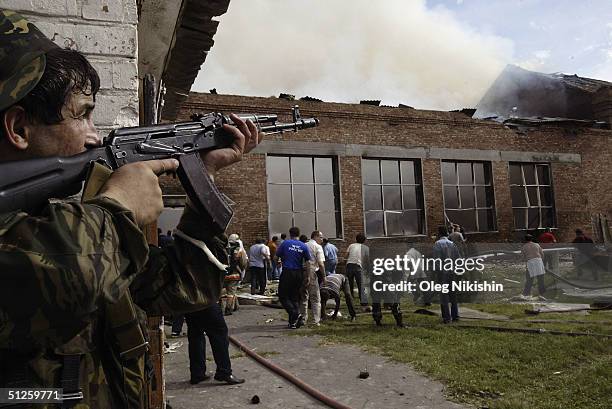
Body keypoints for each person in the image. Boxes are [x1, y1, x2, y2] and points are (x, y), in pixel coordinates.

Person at [0, 11, 262, 408]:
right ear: (19, 128)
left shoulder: (69, 225)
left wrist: (203, 177)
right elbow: (70, 277)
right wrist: (117, 209)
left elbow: (180, 290)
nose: (94, 136)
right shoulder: (81, 233)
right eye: (82, 114)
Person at [185, 304, 245, 385]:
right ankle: (224, 372)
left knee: (196, 337)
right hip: (206, 302)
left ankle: (197, 373)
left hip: (189, 305)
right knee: (220, 335)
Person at [276, 227, 312, 328]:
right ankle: (293, 323)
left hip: (288, 272)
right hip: (299, 273)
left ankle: (296, 314)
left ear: (290, 234)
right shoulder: (303, 246)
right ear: (299, 234)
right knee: (294, 297)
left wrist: (277, 263)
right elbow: (308, 262)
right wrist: (308, 276)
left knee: (283, 296)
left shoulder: (285, 244)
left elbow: (276, 256)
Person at [432, 226, 461, 323]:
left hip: (442, 273)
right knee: (453, 295)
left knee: (444, 295)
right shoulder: (452, 244)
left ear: (439, 233)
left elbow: (437, 260)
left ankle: (446, 318)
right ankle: (455, 316)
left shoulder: (437, 244)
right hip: (451, 272)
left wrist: (436, 272)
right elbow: (458, 259)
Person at [301, 230, 326, 326]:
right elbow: (320, 263)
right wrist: (324, 276)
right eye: (321, 237)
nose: (322, 239)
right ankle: (316, 320)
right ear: (315, 236)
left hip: (301, 271)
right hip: (311, 271)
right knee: (315, 297)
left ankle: (303, 318)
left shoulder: (304, 245)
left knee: (303, 296)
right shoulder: (317, 247)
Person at [220, 235, 248, 315]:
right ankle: (228, 309)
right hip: (234, 274)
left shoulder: (223, 248)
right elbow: (243, 263)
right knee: (231, 293)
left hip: (223, 274)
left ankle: (234, 306)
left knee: (221, 292)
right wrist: (242, 269)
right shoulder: (239, 250)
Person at [345, 233, 370, 307]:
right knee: (361, 285)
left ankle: (350, 301)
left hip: (349, 265)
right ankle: (364, 303)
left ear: (356, 239)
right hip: (358, 266)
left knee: (349, 285)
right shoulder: (365, 248)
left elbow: (345, 256)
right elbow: (367, 260)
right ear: (364, 240)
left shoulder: (351, 245)